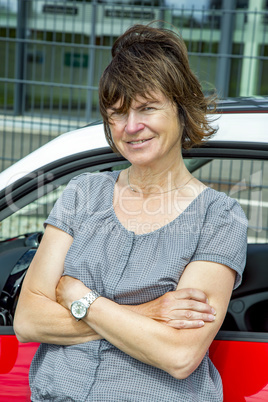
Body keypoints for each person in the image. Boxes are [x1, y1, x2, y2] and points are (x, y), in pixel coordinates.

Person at [14, 24, 248, 401]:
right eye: (118, 113)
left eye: (147, 108)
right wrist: (149, 312)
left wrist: (79, 297)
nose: (131, 127)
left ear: (181, 108)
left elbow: (179, 353)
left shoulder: (219, 217)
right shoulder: (83, 193)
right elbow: (27, 320)